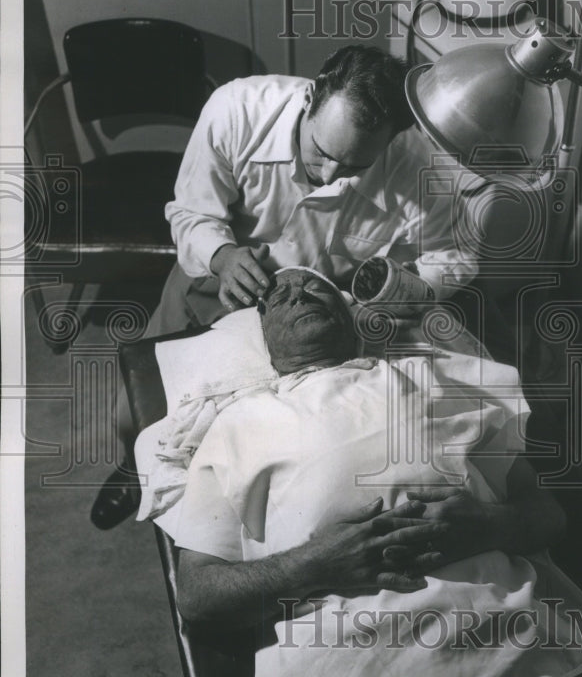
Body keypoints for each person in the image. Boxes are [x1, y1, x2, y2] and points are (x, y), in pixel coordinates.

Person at [165, 267, 582, 677]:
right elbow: (199, 594)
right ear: (264, 338)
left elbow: (547, 513)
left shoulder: (435, 378)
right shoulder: (235, 427)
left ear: (348, 315)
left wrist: (487, 526)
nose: (299, 292)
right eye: (278, 296)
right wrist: (317, 563)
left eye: (315, 285)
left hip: (512, 661)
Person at [93, 45, 479, 528]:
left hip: (319, 314)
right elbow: (191, 211)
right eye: (321, 152)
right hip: (218, 281)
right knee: (134, 415)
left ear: (392, 140)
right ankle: (135, 468)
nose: (329, 176)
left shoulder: (417, 163)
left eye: (355, 168)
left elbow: (458, 256)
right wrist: (222, 255)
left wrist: (401, 290)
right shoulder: (237, 110)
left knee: (269, 447)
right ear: (312, 96)